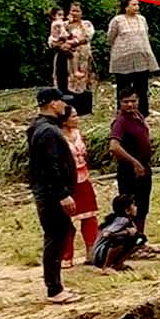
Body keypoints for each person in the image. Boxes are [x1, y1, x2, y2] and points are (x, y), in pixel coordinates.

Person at [27, 88, 78, 304]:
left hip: (49, 192)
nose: (65, 106)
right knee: (55, 238)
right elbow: (50, 167)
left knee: (60, 234)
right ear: (51, 103)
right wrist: (63, 194)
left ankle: (56, 285)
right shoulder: (47, 131)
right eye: (61, 102)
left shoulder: (39, 127)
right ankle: (54, 289)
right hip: (52, 195)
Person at [106, 87, 158, 253]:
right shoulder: (121, 122)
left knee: (142, 207)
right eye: (126, 102)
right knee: (130, 208)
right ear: (120, 103)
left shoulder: (138, 116)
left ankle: (140, 241)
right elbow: (114, 147)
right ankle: (129, 245)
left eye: (133, 101)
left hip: (144, 167)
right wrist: (134, 162)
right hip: (130, 171)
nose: (130, 104)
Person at [55, 104, 100, 270]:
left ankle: (91, 251)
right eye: (73, 116)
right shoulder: (58, 137)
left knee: (90, 217)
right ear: (65, 120)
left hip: (84, 178)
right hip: (69, 181)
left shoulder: (77, 134)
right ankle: (67, 255)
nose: (77, 119)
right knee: (66, 219)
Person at [106, 0, 158, 116]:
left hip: (141, 59)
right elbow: (110, 37)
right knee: (123, 86)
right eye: (134, 5)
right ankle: (123, 112)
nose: (137, 7)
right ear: (126, 7)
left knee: (142, 87)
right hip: (123, 59)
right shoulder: (117, 20)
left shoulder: (142, 19)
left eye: (137, 5)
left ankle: (142, 112)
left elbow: (146, 34)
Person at [90, 193, 142, 271]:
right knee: (122, 239)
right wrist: (126, 232)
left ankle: (118, 264)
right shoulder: (122, 220)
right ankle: (106, 267)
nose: (136, 207)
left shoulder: (127, 220)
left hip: (100, 255)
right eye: (133, 205)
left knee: (140, 239)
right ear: (127, 210)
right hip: (100, 255)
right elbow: (107, 234)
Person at [59, 2, 95, 115]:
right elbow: (55, 38)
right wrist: (62, 46)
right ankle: (71, 109)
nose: (74, 13)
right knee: (71, 80)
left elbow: (88, 37)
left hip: (84, 56)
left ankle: (85, 109)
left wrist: (74, 42)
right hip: (69, 57)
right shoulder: (63, 25)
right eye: (72, 11)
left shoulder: (86, 24)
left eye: (77, 11)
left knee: (85, 79)